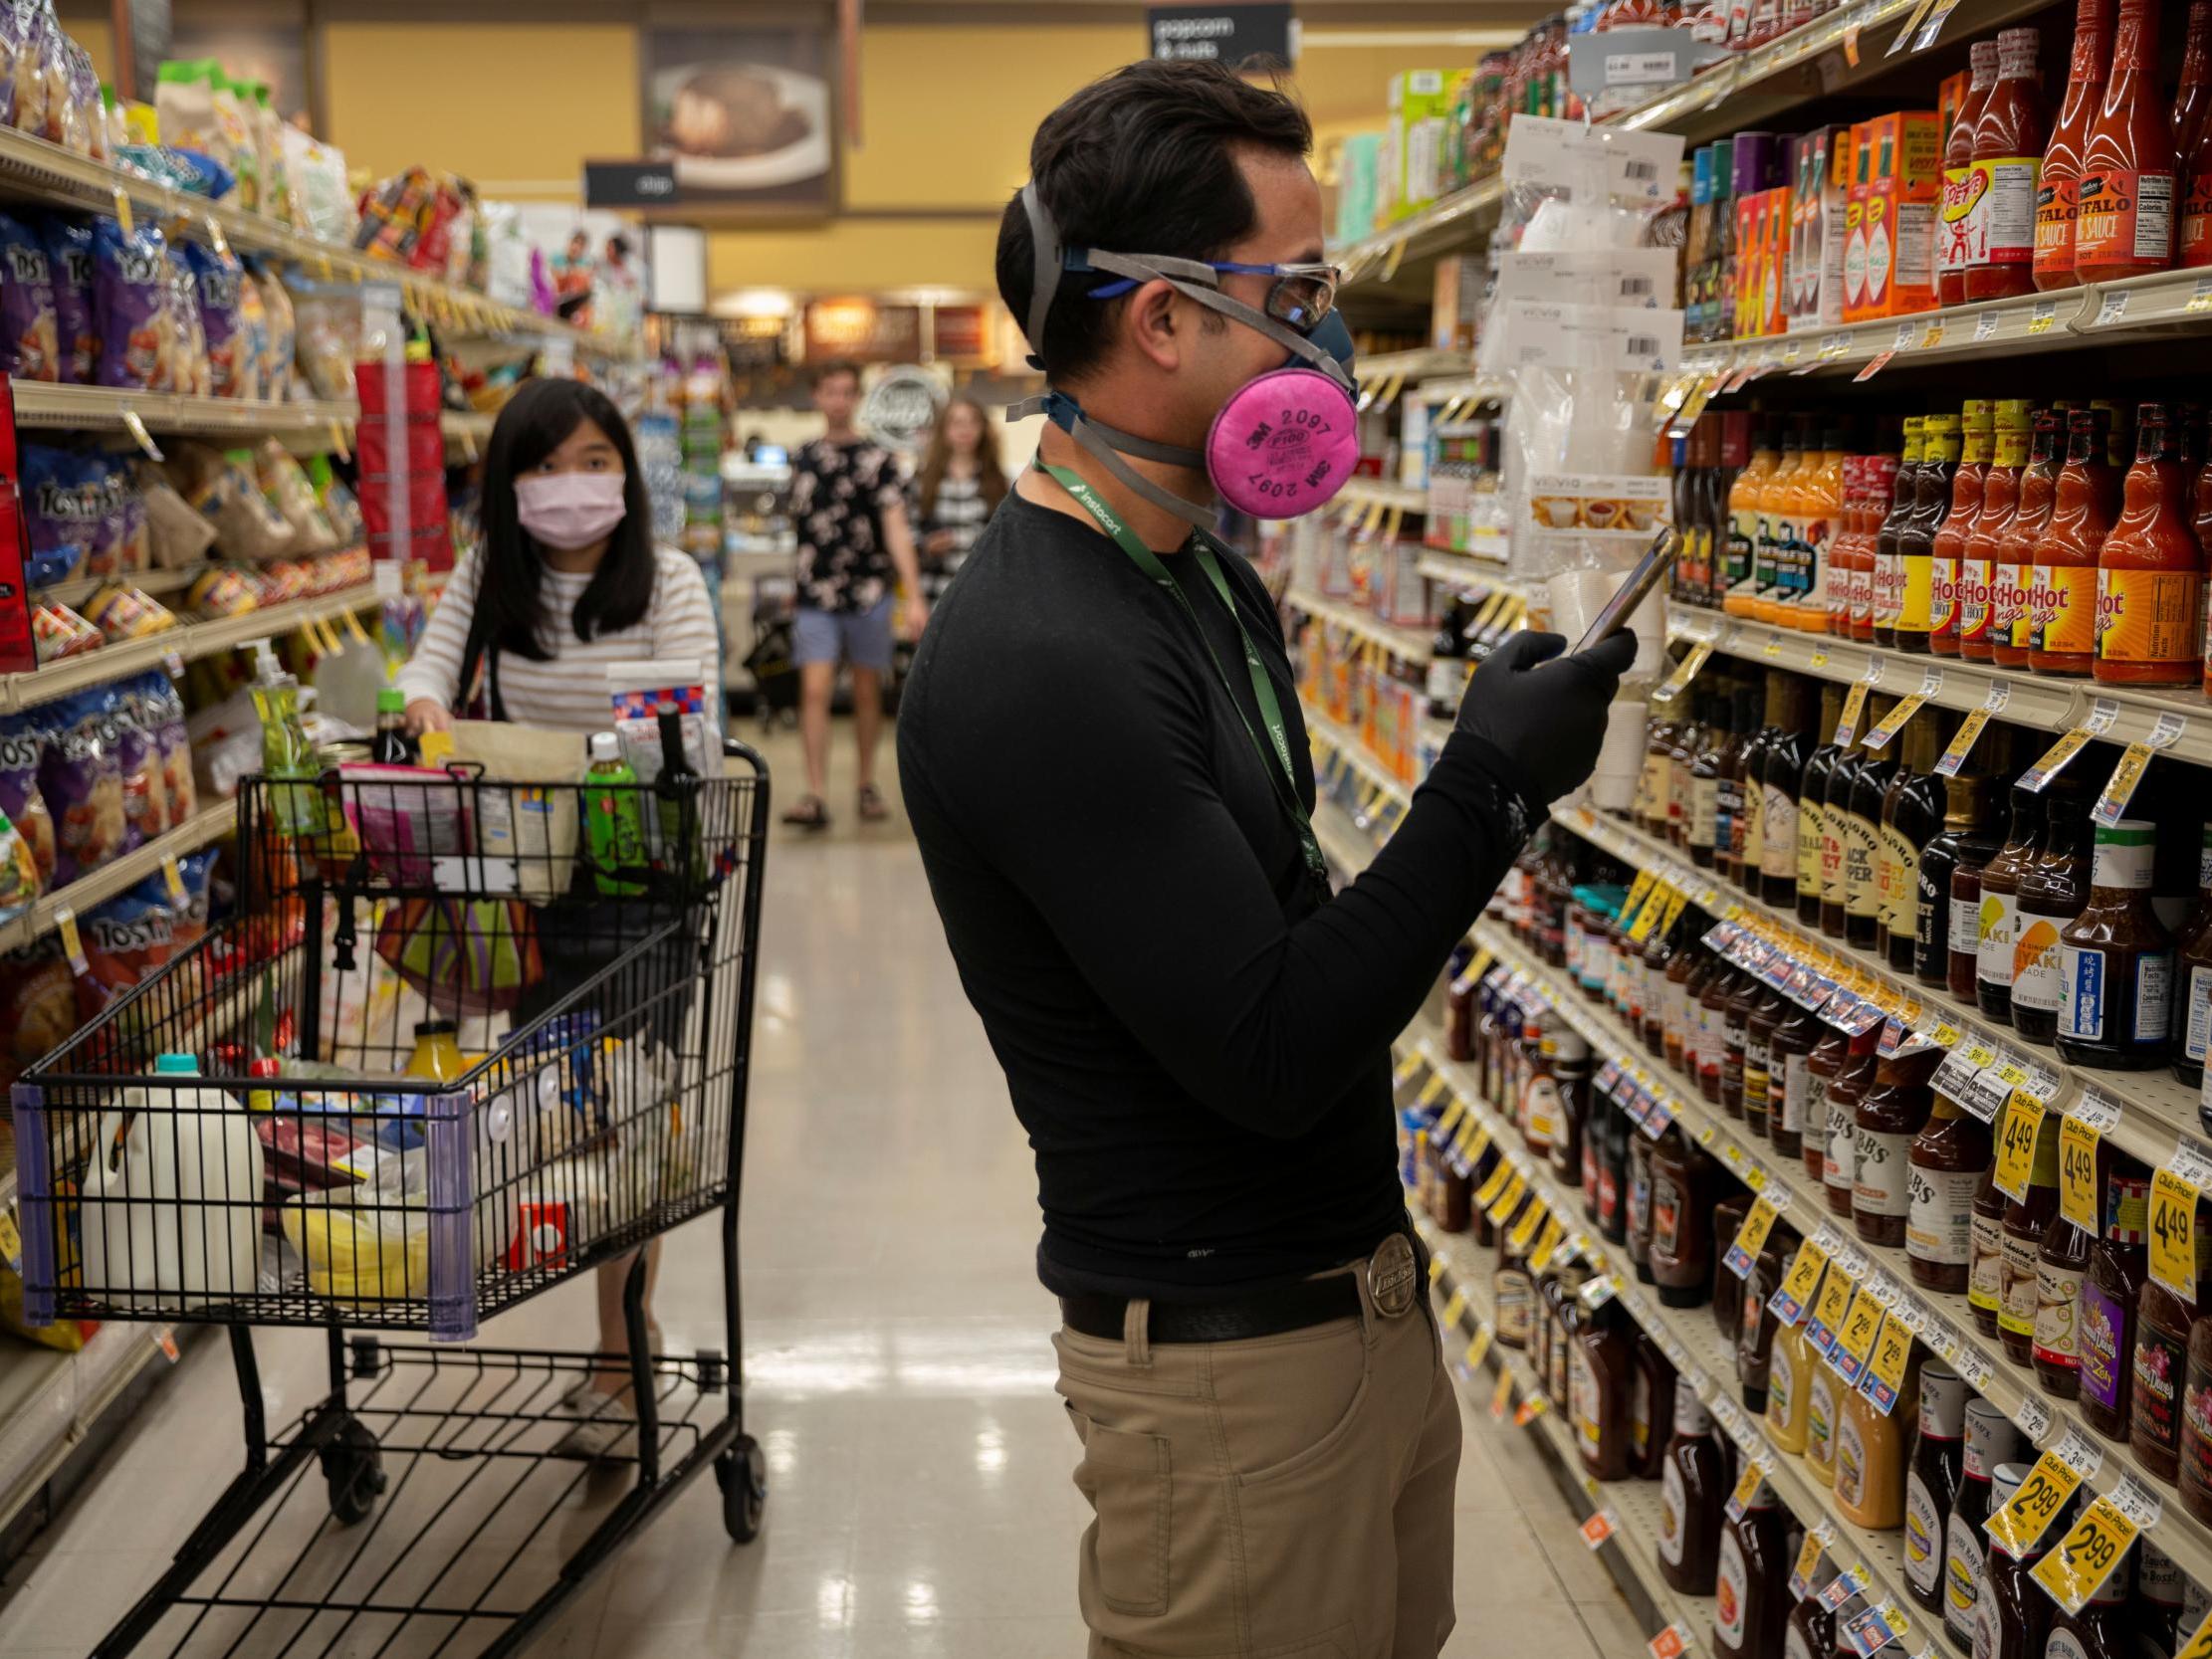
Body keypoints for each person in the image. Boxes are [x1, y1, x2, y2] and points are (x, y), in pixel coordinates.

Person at [895, 60, 1632, 1658]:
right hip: (1227, 1382)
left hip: (1344, 1313)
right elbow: (1276, 1042)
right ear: (1160, 322)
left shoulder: (1193, 578)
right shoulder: (1041, 654)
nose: (1326, 330)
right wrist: (1488, 787)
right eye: (1294, 288)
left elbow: (1284, 906)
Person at [396, 376, 720, 1457]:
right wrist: (427, 711)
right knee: (559, 1119)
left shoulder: (667, 580)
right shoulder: (492, 574)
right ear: (507, 483)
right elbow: (427, 671)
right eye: (541, 466)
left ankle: (614, 1360)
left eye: (591, 459)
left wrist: (616, 756)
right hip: (530, 886)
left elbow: (692, 717)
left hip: (645, 881)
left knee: (628, 1120)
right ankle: (615, 1333)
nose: (569, 486)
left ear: (624, 469)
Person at [784, 359, 927, 830]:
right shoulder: (802, 457)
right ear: (817, 396)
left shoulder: (879, 460)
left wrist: (915, 597)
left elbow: (895, 529)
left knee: (868, 692)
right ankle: (814, 792)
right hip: (814, 594)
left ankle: (866, 783)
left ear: (857, 398)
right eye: (831, 390)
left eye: (847, 391)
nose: (839, 400)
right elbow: (799, 531)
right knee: (815, 689)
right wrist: (793, 584)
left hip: (869, 592)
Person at [908, 393, 1008, 600]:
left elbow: (1008, 542)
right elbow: (906, 536)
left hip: (984, 595)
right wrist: (927, 545)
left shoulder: (999, 482)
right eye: (957, 422)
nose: (965, 429)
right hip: (935, 594)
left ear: (983, 429)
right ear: (943, 429)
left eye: (973, 422)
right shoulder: (923, 480)